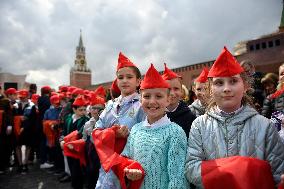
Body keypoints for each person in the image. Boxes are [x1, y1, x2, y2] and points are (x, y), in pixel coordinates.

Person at [185, 47, 284, 188]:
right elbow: (191, 168)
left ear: (245, 86)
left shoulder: (265, 126)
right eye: (219, 83)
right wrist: (235, 170)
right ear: (210, 89)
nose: (226, 88)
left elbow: (277, 174)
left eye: (233, 81)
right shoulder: (199, 125)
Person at [121, 64, 187, 189]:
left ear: (168, 99)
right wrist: (129, 170)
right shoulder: (135, 130)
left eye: (158, 96)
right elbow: (125, 159)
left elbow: (177, 178)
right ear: (140, 100)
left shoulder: (175, 132)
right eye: (146, 96)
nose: (152, 101)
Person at [94, 52, 145, 189]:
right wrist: (113, 133)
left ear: (138, 81)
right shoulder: (110, 106)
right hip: (107, 165)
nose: (124, 80)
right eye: (120, 77)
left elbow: (146, 136)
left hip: (129, 167)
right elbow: (96, 132)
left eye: (129, 77)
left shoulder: (142, 105)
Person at [61, 96, 89, 189]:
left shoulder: (86, 120)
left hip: (78, 149)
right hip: (68, 147)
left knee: (78, 171)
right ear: (74, 109)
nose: (83, 112)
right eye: (81, 110)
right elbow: (64, 131)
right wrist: (61, 140)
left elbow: (83, 135)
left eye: (85, 109)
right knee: (72, 169)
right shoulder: (68, 118)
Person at [162, 63, 196, 138]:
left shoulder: (190, 117)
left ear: (181, 91)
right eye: (168, 89)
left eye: (176, 89)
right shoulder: (156, 115)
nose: (172, 93)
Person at [82, 94, 105, 189]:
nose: (96, 111)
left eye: (99, 109)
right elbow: (84, 138)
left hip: (103, 153)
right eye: (93, 108)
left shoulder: (107, 122)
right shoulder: (87, 123)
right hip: (91, 152)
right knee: (91, 173)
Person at [14, 89, 37, 174]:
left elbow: (33, 119)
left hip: (28, 130)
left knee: (28, 147)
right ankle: (20, 164)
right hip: (17, 129)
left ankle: (25, 164)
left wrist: (25, 126)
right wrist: (20, 118)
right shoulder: (15, 104)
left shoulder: (32, 105)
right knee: (17, 146)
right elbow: (13, 116)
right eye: (21, 97)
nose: (22, 99)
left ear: (28, 96)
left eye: (23, 97)